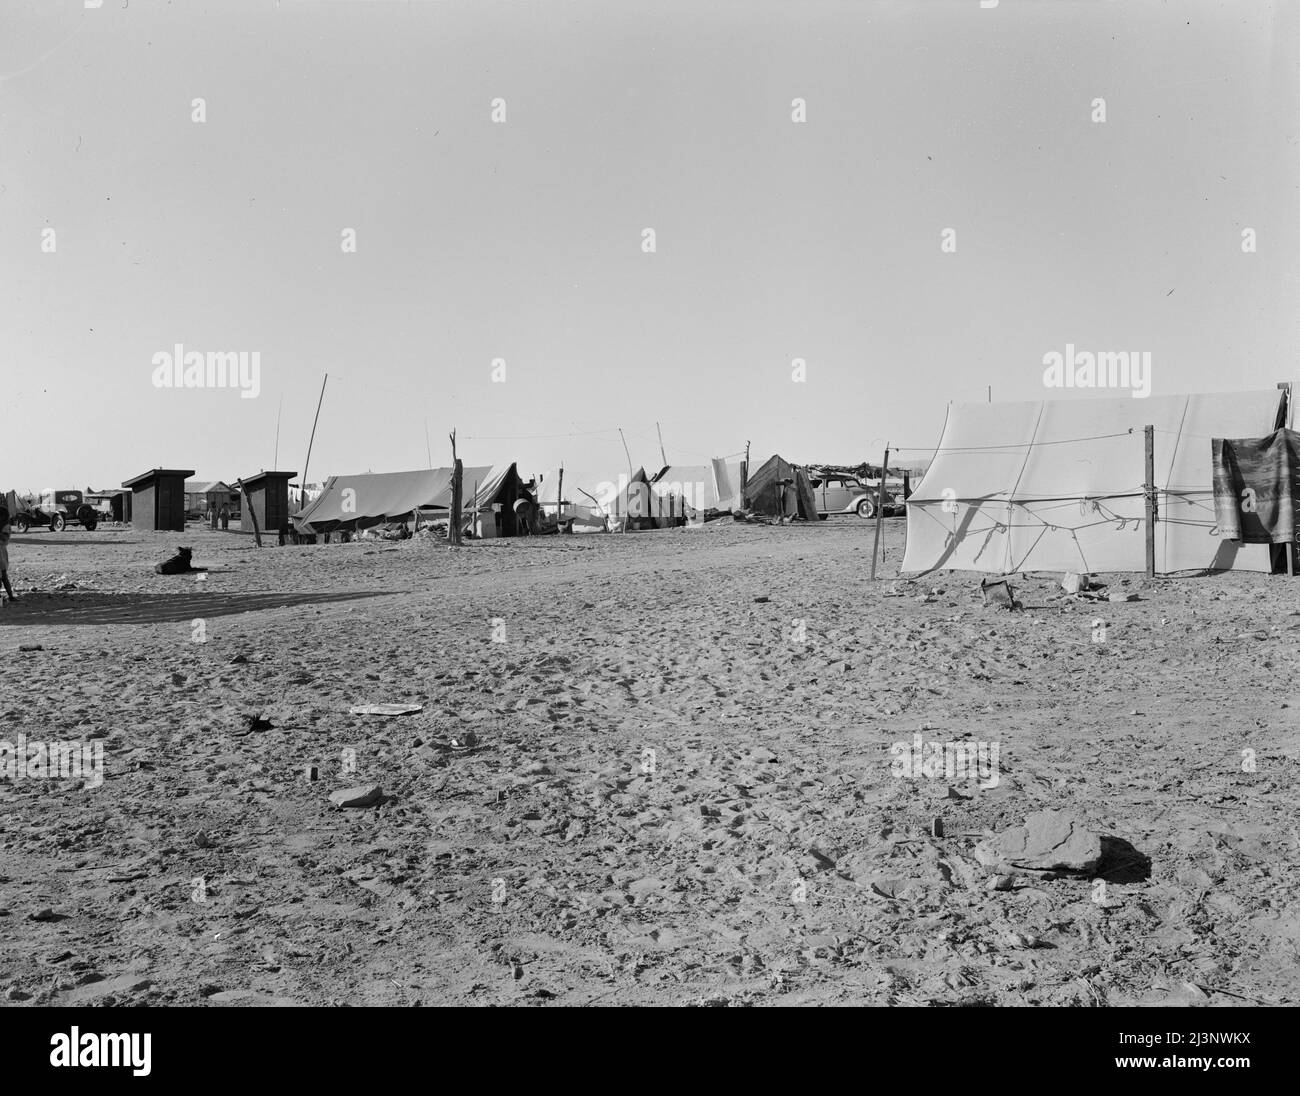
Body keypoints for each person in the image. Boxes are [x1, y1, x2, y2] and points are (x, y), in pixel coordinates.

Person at [0, 507, 16, 603]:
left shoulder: (6, 527)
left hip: (1, 554)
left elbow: (5, 538)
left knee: (4, 575)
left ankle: (11, 596)